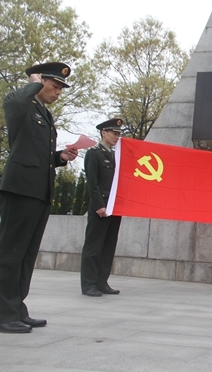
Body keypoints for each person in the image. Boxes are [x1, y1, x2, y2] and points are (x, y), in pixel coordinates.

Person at [0, 62, 78, 333]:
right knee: (10, 253)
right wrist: (31, 83)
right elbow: (11, 102)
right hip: (20, 190)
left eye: (60, 88)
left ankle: (16, 308)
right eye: (54, 85)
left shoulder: (43, 114)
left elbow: (36, 155)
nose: (58, 92)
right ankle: (4, 313)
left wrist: (59, 158)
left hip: (39, 191)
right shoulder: (21, 105)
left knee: (25, 255)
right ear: (39, 81)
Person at [80, 119, 123, 297]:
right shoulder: (94, 154)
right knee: (94, 246)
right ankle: (89, 283)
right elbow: (93, 182)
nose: (116, 137)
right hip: (101, 208)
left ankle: (102, 281)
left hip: (114, 208)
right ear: (104, 133)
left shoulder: (116, 155)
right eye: (114, 133)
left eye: (119, 134)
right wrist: (99, 205)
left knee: (108, 247)